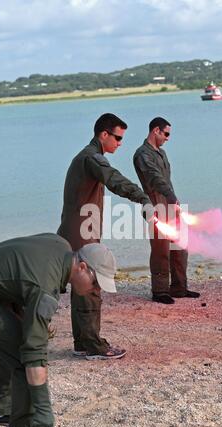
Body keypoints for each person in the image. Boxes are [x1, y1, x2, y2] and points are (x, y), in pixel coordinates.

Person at [0, 233, 117, 427]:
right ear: (82, 267)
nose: (96, 290)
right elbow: (34, 352)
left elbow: (21, 268)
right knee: (22, 355)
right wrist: (43, 409)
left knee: (17, 343)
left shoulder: (61, 244)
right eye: (96, 283)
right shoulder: (46, 288)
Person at [57, 113, 153, 359]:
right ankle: (94, 347)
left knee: (82, 288)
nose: (120, 143)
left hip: (75, 232)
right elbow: (114, 180)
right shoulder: (92, 158)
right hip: (82, 235)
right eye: (118, 138)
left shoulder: (86, 157)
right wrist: (142, 198)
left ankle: (82, 343)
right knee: (91, 285)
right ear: (104, 134)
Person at [133, 117, 200, 304]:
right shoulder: (142, 154)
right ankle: (160, 291)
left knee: (180, 246)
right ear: (156, 131)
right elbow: (154, 179)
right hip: (155, 205)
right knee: (161, 250)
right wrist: (171, 197)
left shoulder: (161, 153)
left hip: (170, 204)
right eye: (166, 134)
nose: (168, 138)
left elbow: (167, 180)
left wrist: (174, 200)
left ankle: (179, 288)